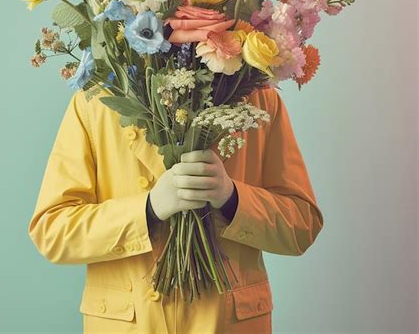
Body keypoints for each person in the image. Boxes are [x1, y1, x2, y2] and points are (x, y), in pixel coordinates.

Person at [28, 84, 324, 334]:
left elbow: (302, 226)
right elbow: (52, 231)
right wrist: (148, 209)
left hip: (227, 323)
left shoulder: (258, 97)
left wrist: (232, 197)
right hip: (129, 323)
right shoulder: (97, 100)